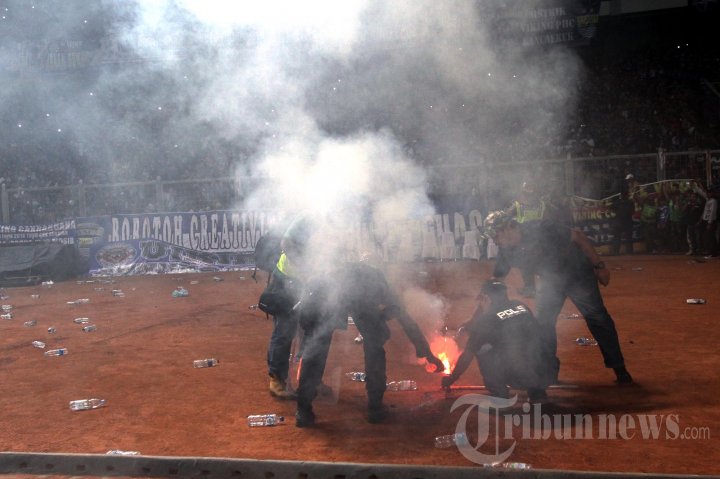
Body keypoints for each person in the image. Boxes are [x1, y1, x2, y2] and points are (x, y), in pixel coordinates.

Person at [483, 210, 633, 385]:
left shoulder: (540, 228)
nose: (494, 241)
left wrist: (599, 267)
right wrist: (484, 302)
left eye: (495, 235)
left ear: (508, 227)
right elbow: (497, 279)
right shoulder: (506, 250)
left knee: (597, 318)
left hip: (578, 275)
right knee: (543, 324)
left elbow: (578, 237)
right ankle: (549, 374)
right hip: (550, 281)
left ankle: (619, 369)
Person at [294, 261, 444, 427]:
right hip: (333, 298)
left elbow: (307, 320)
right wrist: (427, 354)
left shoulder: (351, 278)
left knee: (315, 349)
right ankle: (375, 408)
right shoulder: (378, 287)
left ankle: (303, 411)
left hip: (327, 297)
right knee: (374, 346)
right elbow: (406, 320)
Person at [441, 280, 555, 401]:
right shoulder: (520, 306)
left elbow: (467, 355)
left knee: (482, 350)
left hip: (518, 376)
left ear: (486, 298)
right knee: (526, 347)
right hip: (545, 372)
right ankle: (537, 392)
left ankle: (499, 392)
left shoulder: (486, 321)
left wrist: (451, 378)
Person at [264, 214, 315, 399]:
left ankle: (309, 377)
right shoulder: (307, 218)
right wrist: (304, 268)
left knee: (310, 330)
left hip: (310, 280)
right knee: (285, 330)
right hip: (287, 279)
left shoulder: (336, 224)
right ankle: (276, 378)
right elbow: (286, 243)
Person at [504, 181, 546, 297]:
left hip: (525, 239)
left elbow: (506, 216)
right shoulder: (542, 204)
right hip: (540, 238)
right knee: (541, 264)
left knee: (526, 265)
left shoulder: (518, 205)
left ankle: (530, 288)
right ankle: (545, 288)